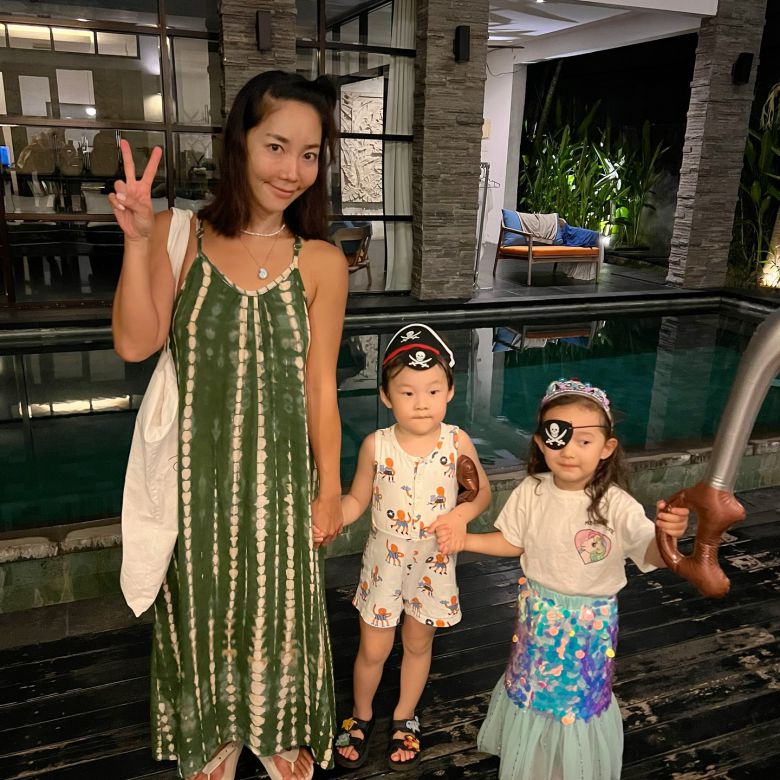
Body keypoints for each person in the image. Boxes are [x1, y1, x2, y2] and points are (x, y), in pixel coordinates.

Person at [111, 71, 348, 780]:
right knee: (203, 606)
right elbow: (136, 343)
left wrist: (330, 488)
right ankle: (215, 731)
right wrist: (137, 242)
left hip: (281, 479)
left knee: (279, 607)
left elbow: (321, 388)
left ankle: (273, 729)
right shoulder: (181, 236)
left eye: (309, 154)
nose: (292, 169)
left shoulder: (322, 262)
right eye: (276, 145)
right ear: (240, 142)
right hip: (197, 477)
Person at [456, 378, 689, 780]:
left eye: (584, 440)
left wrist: (668, 537)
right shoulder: (532, 490)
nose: (569, 450)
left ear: (607, 448)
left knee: (577, 700)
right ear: (540, 442)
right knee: (530, 687)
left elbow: (651, 553)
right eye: (558, 437)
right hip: (536, 615)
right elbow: (513, 542)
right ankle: (530, 757)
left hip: (588, 626)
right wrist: (465, 540)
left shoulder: (616, 504)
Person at [320, 324, 492, 771]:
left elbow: (481, 493)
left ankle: (405, 716)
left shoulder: (457, 442)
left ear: (449, 392)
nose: (421, 402)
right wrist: (331, 515)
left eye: (433, 391)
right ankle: (361, 714)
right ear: (385, 396)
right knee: (373, 649)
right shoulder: (376, 446)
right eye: (407, 392)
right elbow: (357, 500)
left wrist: (460, 516)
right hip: (385, 569)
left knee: (418, 644)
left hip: (434, 566)